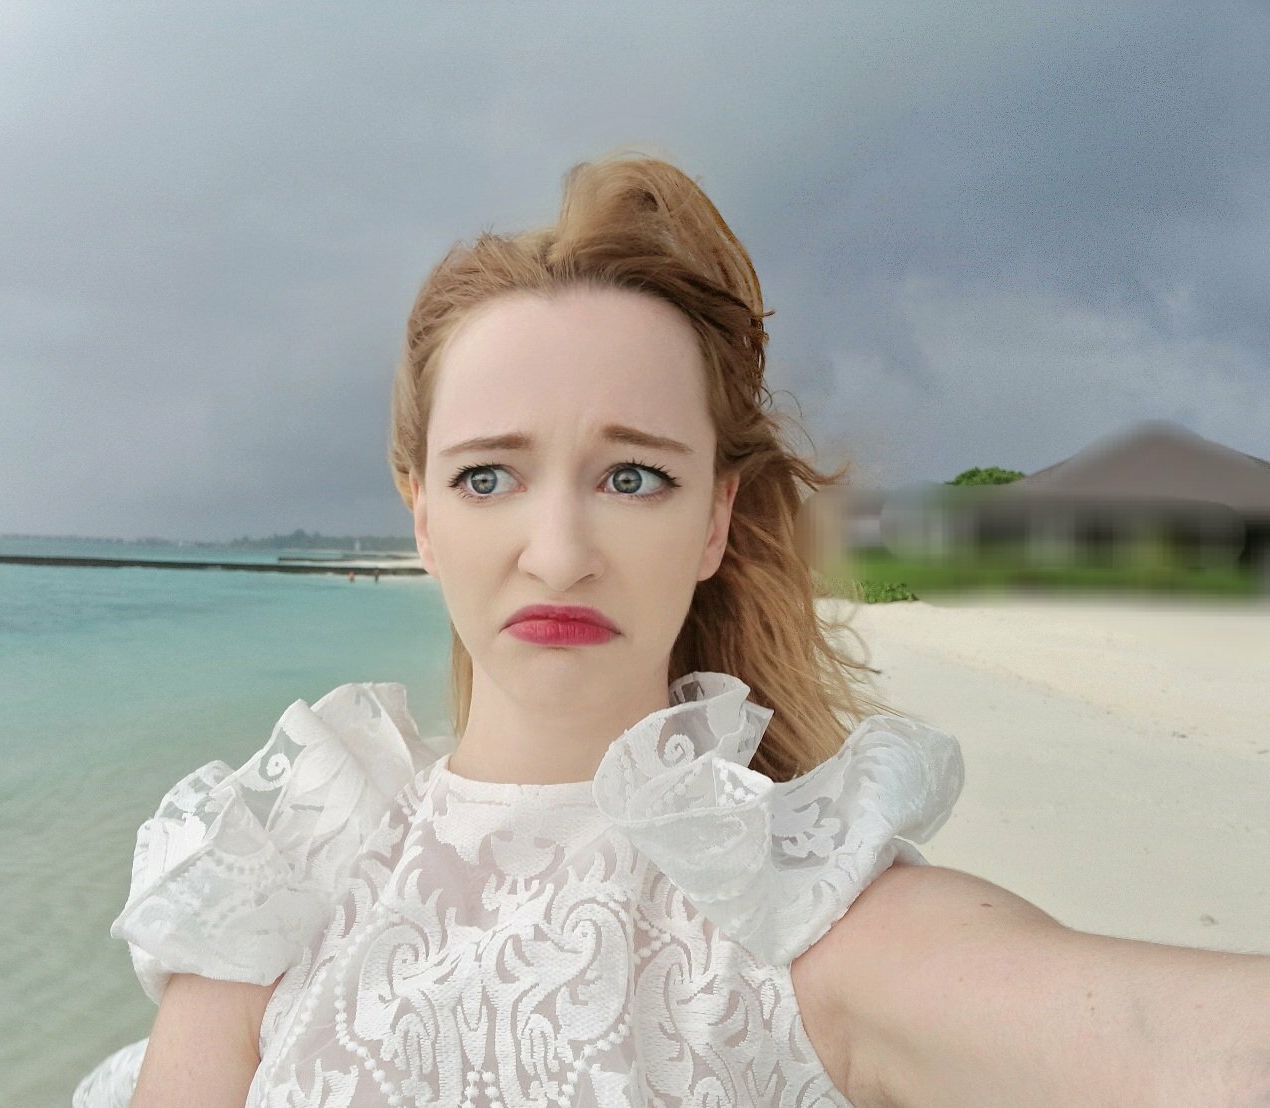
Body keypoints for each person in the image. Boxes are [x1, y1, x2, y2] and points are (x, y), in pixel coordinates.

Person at [74, 153, 1270, 1107]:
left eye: (632, 477)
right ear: (421, 513)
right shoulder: (285, 867)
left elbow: (1151, 1035)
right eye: (489, 477)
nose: (557, 552)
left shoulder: (790, 909)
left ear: (714, 519)